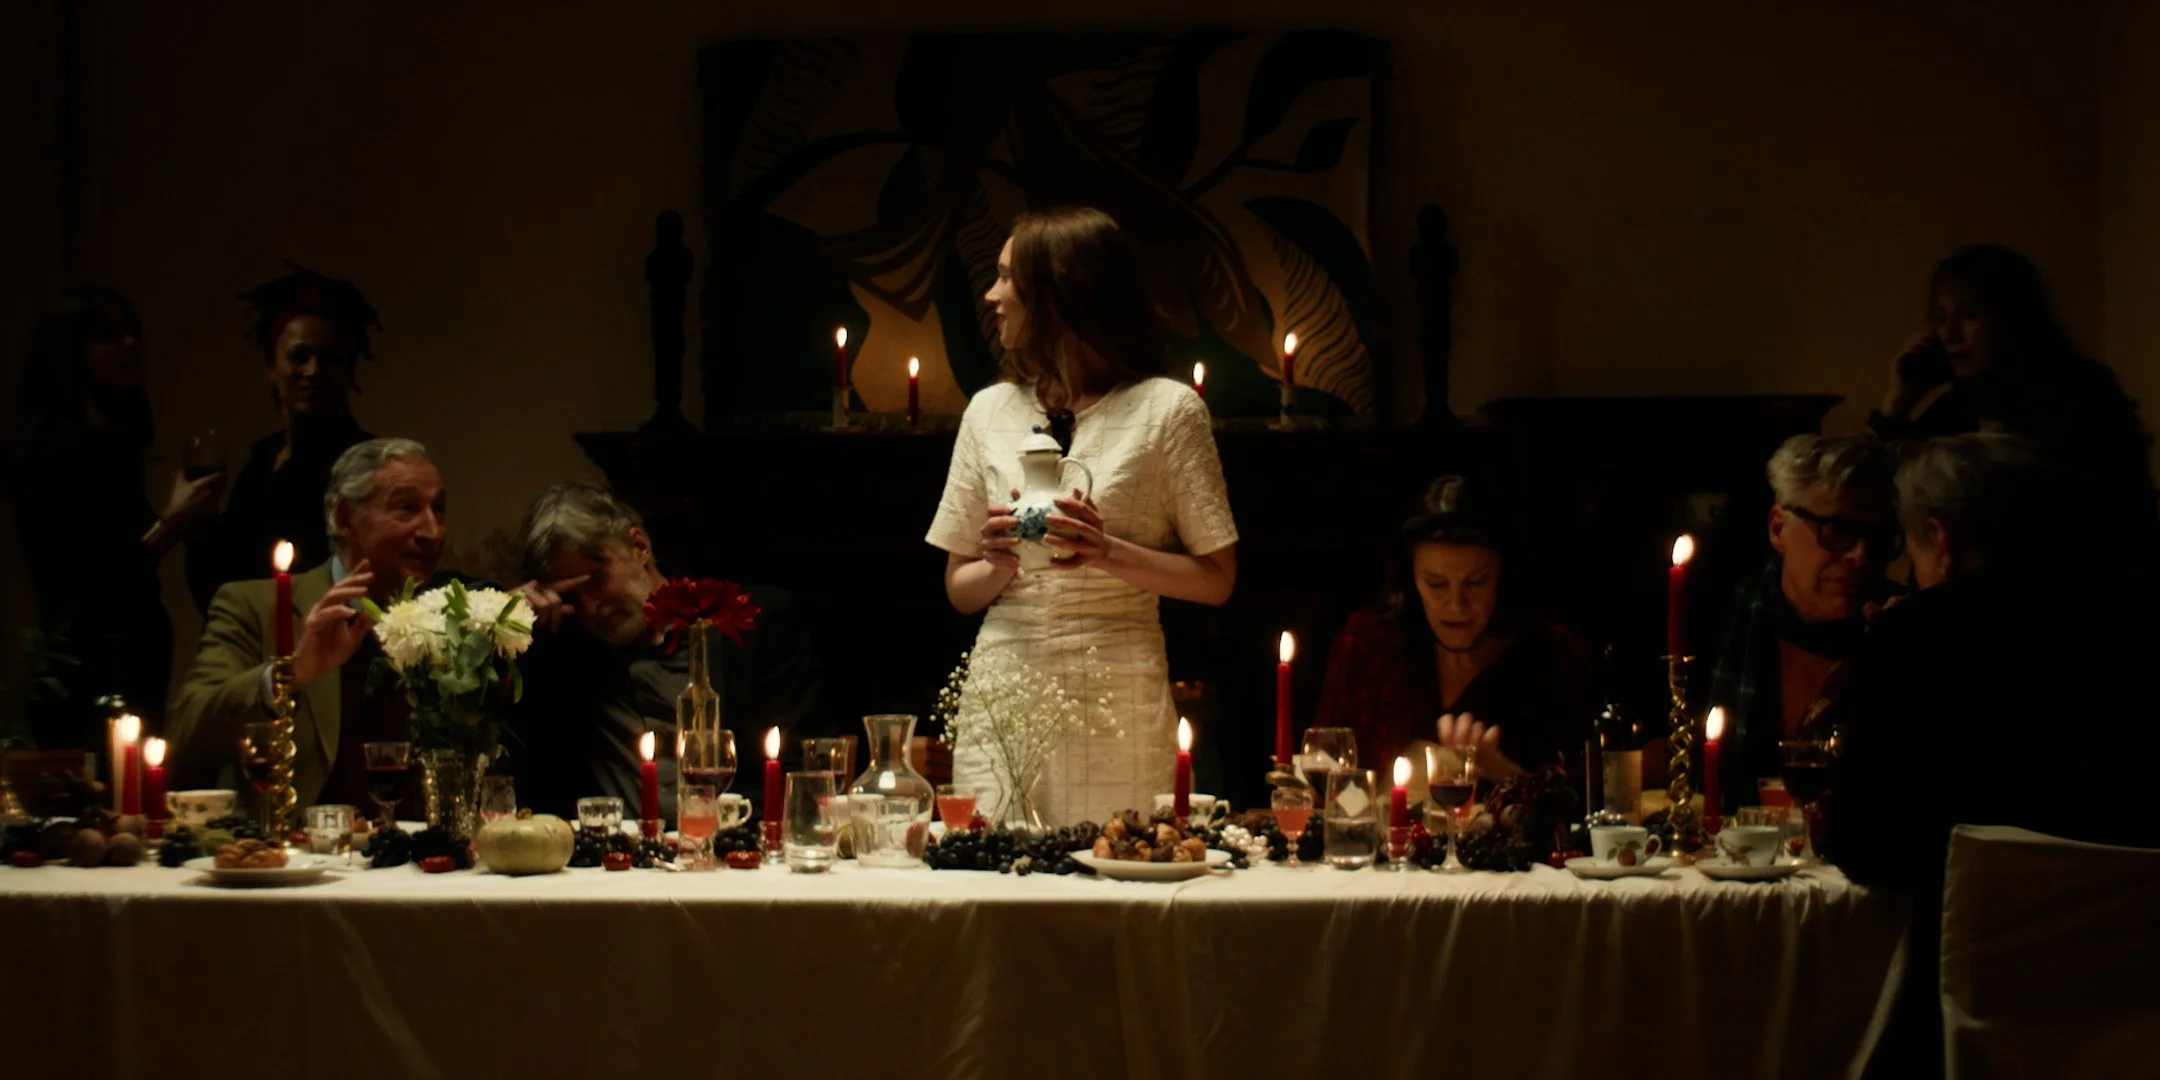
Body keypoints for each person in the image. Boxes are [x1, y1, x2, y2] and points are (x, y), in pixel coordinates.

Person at [1824, 434, 2159, 1078]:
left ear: (1941, 540)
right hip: (2138, 1015)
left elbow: (1870, 848)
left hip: (1969, 1023)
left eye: (1910, 544)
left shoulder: (1917, 638)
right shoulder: (2141, 623)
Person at [925, 207, 1238, 826]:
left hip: (1116, 689)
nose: (991, 294)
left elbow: (1216, 578)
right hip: (1003, 687)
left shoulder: (1167, 411)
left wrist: (1106, 551)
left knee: (1119, 879)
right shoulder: (988, 411)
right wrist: (998, 562)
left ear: (1059, 291)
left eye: (1008, 277)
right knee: (996, 882)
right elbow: (959, 591)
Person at [509, 482, 824, 819]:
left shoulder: (756, 625)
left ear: (639, 546)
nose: (590, 608)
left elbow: (800, 769)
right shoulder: (562, 657)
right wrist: (508, 617)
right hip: (616, 862)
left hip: (740, 855)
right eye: (571, 595)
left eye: (595, 580)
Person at [168, 438, 449, 812]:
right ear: (345, 518)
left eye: (439, 510)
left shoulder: (451, 619)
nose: (432, 531)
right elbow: (188, 735)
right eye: (407, 508)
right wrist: (290, 675)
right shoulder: (252, 606)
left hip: (422, 862)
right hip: (297, 858)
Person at [9, 289, 225, 744]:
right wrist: (169, 524)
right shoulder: (51, 454)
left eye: (132, 334)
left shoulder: (116, 450)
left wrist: (194, 523)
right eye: (108, 336)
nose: (129, 345)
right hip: (88, 672)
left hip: (132, 660)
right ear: (70, 352)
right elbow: (90, 584)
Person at [1872, 244, 2158, 568]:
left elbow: (2118, 517)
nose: (1950, 334)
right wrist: (1897, 405)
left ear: (2013, 318)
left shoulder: (2080, 395)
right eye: (1940, 319)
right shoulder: (1951, 410)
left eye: (1970, 316)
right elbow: (1879, 503)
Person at [1315, 477, 1594, 785]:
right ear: (1411, 580)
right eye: (1436, 584)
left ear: (1503, 576)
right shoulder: (1370, 644)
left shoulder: (1552, 656)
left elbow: (1585, 803)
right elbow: (1325, 773)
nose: (1456, 605)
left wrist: (1501, 772)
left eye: (1476, 582)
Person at [1704, 432, 1900, 815]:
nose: (1861, 555)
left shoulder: (1904, 630)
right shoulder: (1724, 620)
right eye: (1837, 530)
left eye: (1879, 537)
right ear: (1778, 529)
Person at [186, 263, 380, 613]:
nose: (313, 371)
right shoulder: (259, 468)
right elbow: (217, 589)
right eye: (298, 356)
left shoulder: (367, 465)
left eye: (330, 358)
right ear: (272, 367)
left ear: (349, 370)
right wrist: (198, 524)